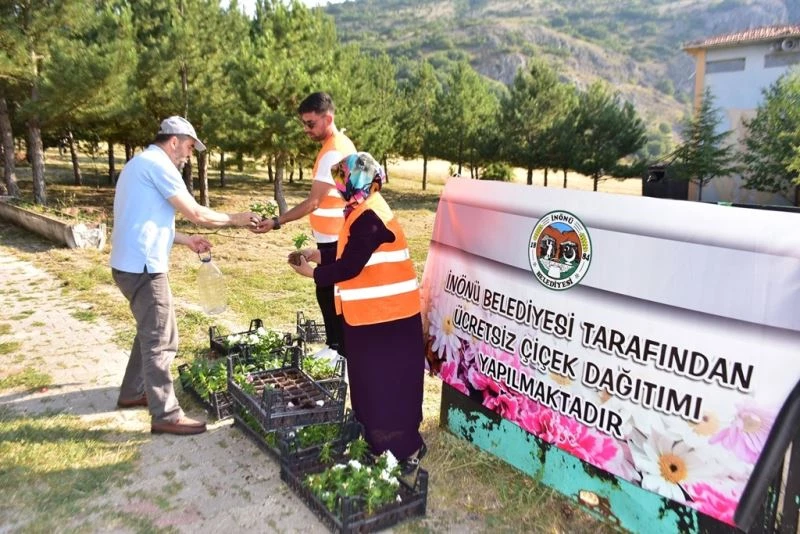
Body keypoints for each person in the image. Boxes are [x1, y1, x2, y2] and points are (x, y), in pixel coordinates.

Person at [110, 115, 260, 436]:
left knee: (149, 331)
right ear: (174, 140)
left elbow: (144, 219)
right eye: (190, 147)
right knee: (162, 339)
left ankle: (132, 392)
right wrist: (236, 218)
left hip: (127, 264)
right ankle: (165, 413)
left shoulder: (139, 164)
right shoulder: (160, 166)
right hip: (144, 268)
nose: (190, 154)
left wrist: (186, 240)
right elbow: (196, 213)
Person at [288, 152, 427, 474]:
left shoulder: (371, 216)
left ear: (355, 183)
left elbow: (350, 266)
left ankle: (405, 451)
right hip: (371, 319)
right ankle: (376, 445)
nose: (338, 191)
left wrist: (312, 274)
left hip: (388, 321)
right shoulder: (362, 210)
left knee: (389, 386)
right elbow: (351, 252)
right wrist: (319, 254)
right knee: (370, 384)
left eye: (341, 184)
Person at [253, 92, 356, 362]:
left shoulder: (333, 150)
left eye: (310, 124)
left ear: (328, 118)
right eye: (304, 124)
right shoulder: (338, 144)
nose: (306, 130)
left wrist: (277, 221)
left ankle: (342, 352)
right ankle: (335, 346)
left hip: (336, 235)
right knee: (326, 291)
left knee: (332, 292)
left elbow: (313, 202)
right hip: (331, 234)